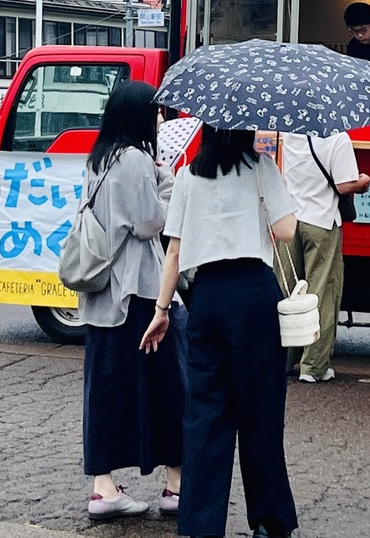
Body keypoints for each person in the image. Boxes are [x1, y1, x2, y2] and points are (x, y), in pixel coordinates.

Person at [141, 126, 299, 538]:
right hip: (255, 294)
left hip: (207, 296)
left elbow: (174, 250)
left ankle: (200, 525)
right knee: (260, 412)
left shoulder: (191, 175)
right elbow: (287, 231)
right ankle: (269, 520)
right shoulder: (262, 166)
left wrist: (161, 310)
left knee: (205, 413)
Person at [79, 81, 184, 522]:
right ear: (139, 114)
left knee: (106, 390)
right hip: (139, 293)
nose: (160, 118)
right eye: (156, 112)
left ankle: (103, 489)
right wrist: (169, 181)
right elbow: (150, 222)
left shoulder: (98, 158)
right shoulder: (139, 160)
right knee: (169, 387)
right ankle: (177, 484)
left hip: (102, 297)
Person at [280, 132, 370, 383]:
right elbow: (344, 185)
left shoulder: (290, 134)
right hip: (321, 221)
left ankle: (284, 360)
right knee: (320, 293)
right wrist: (363, 181)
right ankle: (313, 366)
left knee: (288, 292)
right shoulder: (337, 138)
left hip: (290, 219)